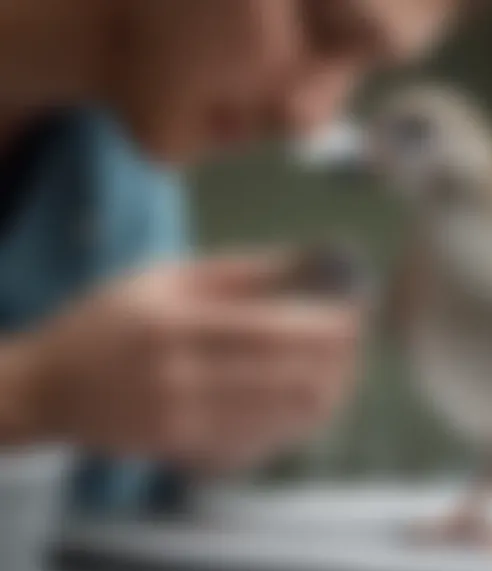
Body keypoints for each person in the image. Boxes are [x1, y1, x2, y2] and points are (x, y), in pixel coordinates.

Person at [0, 1, 462, 515]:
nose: (306, 119)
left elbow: (107, 505)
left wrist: (197, 432)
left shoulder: (121, 171)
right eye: (317, 25)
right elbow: (50, 399)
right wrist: (30, 398)